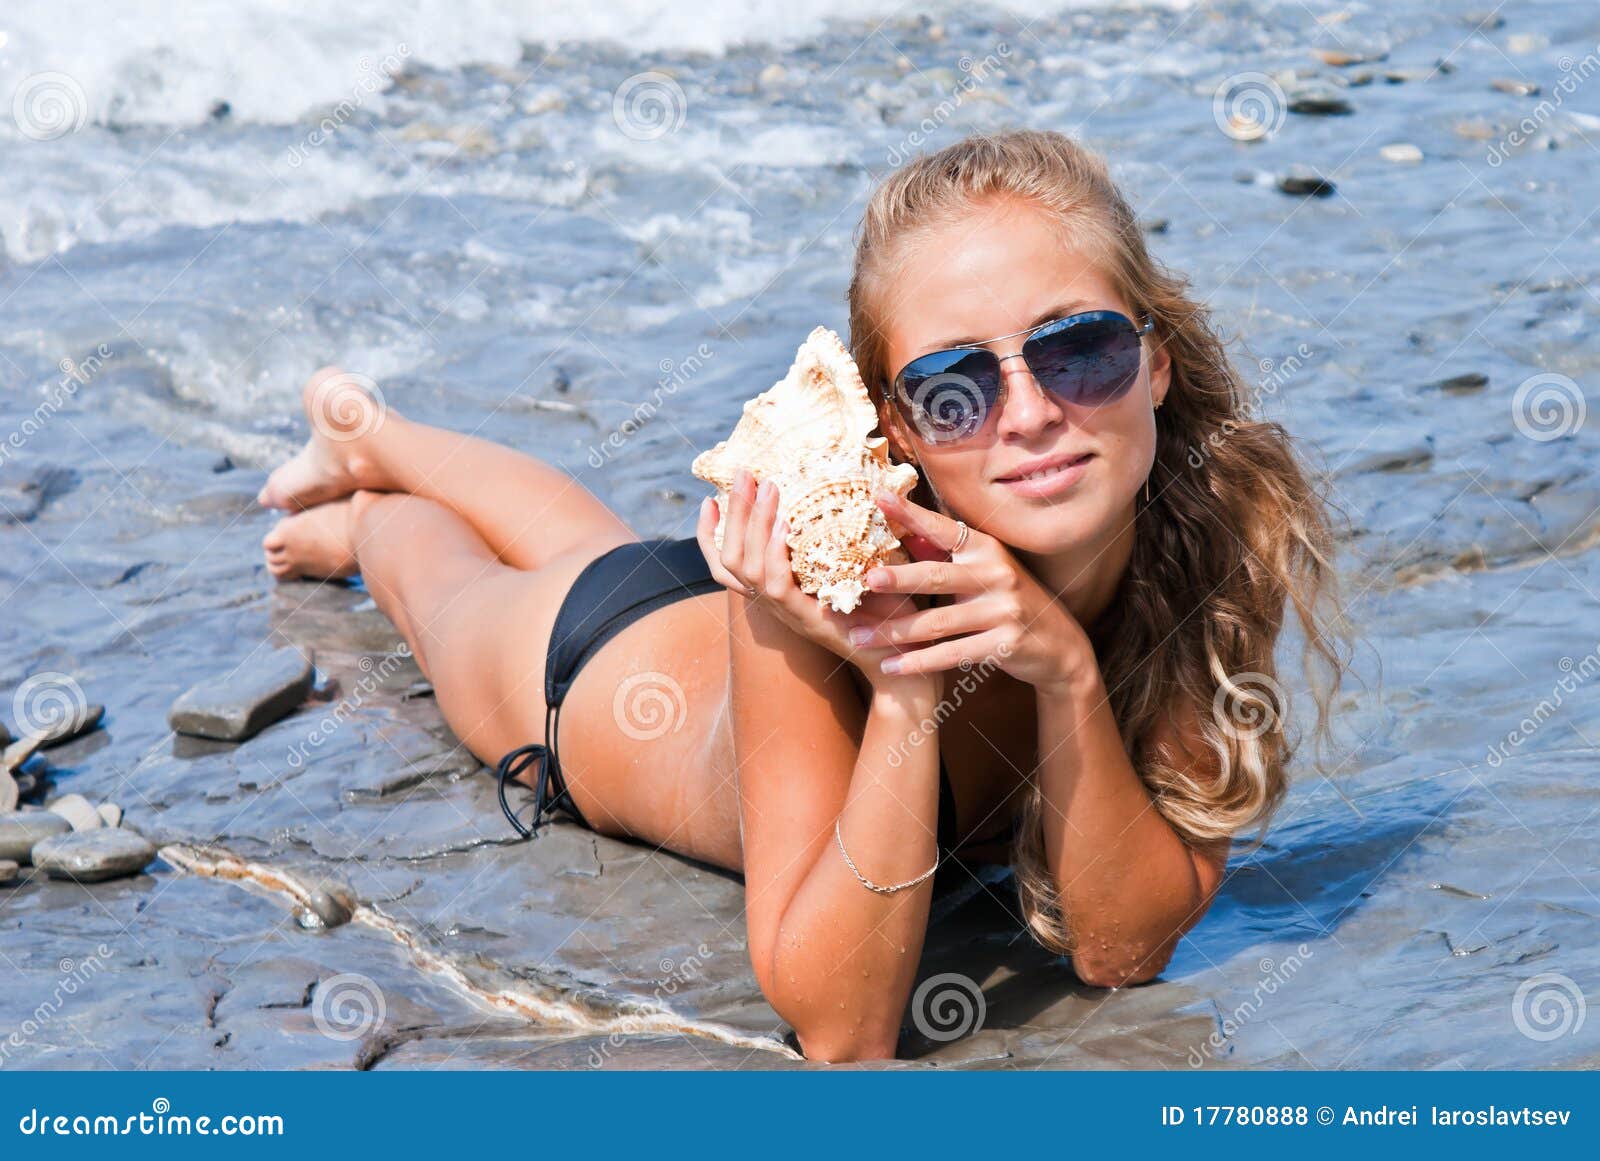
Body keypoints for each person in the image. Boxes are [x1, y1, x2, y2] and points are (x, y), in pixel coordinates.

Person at [257, 129, 1349, 1062]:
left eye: (1077, 351)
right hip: (590, 669)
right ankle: (364, 475)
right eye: (956, 387)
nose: (1027, 414)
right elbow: (843, 1034)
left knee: (581, 532)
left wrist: (1064, 670)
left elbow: (1124, 950)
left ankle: (362, 436)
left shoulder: (1197, 542)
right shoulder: (825, 592)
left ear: (1152, 360)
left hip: (686, 609)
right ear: (898, 427)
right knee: (447, 583)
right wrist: (902, 686)